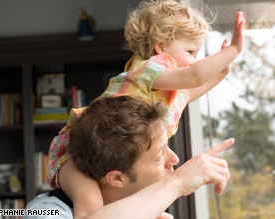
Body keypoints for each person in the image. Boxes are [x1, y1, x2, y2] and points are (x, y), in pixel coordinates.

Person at [47, 0, 246, 217]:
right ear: (161, 48)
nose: (193, 60)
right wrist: (233, 50)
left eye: (195, 55)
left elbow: (187, 94)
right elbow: (194, 76)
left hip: (108, 156)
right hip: (73, 151)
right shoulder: (148, 70)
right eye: (190, 51)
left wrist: (220, 74)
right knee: (90, 200)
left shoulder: (165, 90)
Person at [25, 96, 234, 219]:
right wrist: (176, 184)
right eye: (159, 154)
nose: (175, 159)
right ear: (116, 178)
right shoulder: (45, 212)